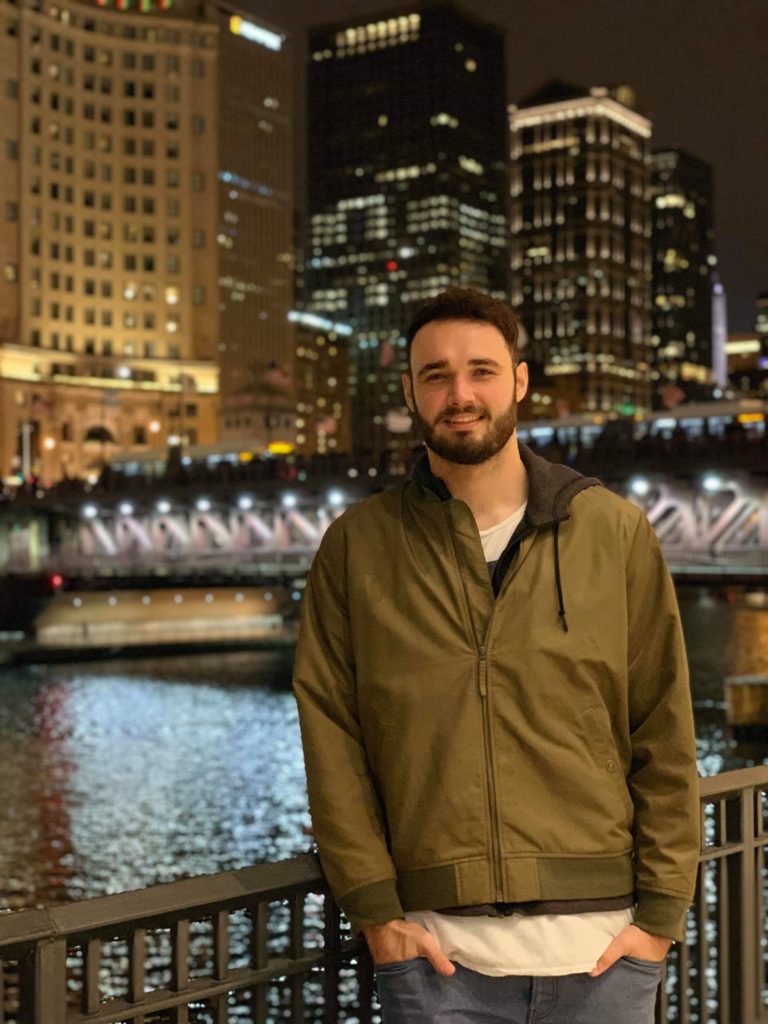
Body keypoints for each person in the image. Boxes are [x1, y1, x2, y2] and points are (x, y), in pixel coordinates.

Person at [293, 287, 699, 1024]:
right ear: (411, 393)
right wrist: (377, 912)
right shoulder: (357, 547)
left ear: (519, 379)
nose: (460, 394)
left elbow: (663, 730)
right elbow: (331, 738)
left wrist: (661, 918)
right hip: (435, 961)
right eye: (436, 375)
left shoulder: (613, 530)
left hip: (605, 957)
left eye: (481, 371)